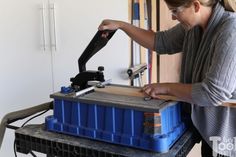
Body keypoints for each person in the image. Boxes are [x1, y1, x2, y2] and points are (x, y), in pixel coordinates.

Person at [98, 0, 236, 156]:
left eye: (175, 11)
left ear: (196, 6)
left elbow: (214, 92)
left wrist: (167, 87)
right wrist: (122, 25)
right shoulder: (194, 27)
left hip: (228, 135)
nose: (173, 17)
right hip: (211, 131)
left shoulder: (231, 30)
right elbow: (161, 42)